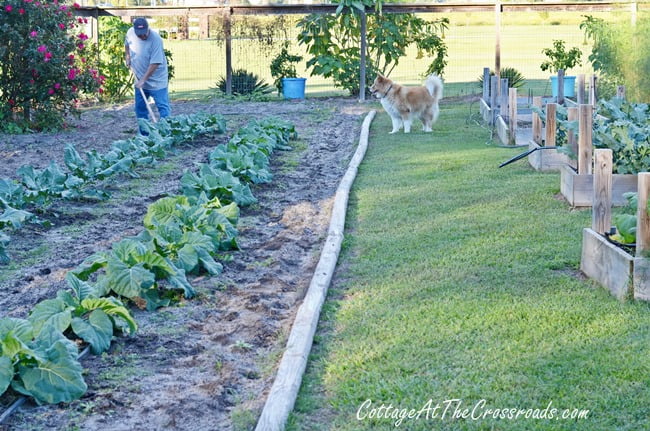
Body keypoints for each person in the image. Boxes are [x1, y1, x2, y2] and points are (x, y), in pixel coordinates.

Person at [124, 17, 170, 133]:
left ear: (148, 28)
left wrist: (143, 80)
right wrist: (128, 57)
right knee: (140, 109)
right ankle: (144, 136)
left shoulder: (156, 39)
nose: (142, 36)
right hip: (140, 79)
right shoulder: (130, 33)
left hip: (157, 80)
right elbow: (127, 45)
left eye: (144, 34)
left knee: (162, 107)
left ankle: (166, 133)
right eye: (139, 34)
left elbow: (155, 62)